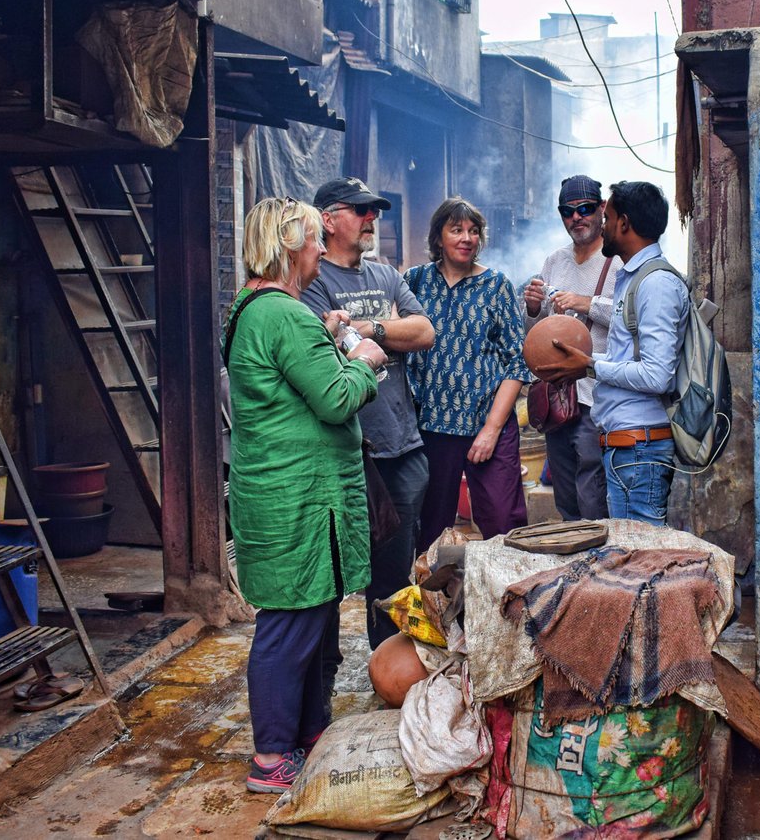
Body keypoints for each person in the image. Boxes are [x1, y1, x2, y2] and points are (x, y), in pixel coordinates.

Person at [224, 198, 388, 794]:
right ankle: (271, 757)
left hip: (288, 491)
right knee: (290, 623)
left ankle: (309, 729)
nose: (323, 248)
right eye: (315, 239)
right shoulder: (283, 315)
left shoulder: (258, 309)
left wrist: (323, 341)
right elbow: (337, 399)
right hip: (295, 495)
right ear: (291, 247)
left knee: (311, 615)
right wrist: (366, 361)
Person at [300, 177, 436, 649]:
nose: (371, 219)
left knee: (396, 575)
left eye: (373, 211)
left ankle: (390, 670)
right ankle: (328, 672)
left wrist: (369, 327)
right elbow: (330, 345)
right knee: (337, 576)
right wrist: (381, 333)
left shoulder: (386, 275)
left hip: (403, 443)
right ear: (328, 219)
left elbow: (423, 332)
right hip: (354, 453)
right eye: (360, 211)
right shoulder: (314, 282)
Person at [533, 181, 689, 526]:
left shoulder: (656, 283)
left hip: (640, 445)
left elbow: (657, 375)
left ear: (623, 223)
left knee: (640, 555)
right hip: (626, 442)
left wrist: (589, 365)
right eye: (568, 211)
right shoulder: (633, 278)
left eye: (607, 215)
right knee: (622, 551)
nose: (601, 224)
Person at [404, 197, 533, 548]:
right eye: (456, 230)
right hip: (431, 426)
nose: (466, 238)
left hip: (488, 423)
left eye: (473, 231)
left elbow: (516, 362)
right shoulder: (414, 282)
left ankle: (509, 597)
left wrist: (491, 430)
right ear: (438, 238)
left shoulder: (497, 286)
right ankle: (434, 600)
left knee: (504, 525)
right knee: (430, 531)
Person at [522, 175, 622, 520]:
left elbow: (632, 318)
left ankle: (598, 564)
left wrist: (586, 302)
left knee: (593, 493)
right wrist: (533, 309)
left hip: (600, 396)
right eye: (568, 211)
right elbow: (538, 332)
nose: (577, 217)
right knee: (565, 495)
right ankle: (574, 564)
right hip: (558, 397)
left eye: (585, 209)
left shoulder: (619, 261)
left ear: (602, 209)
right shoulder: (555, 261)